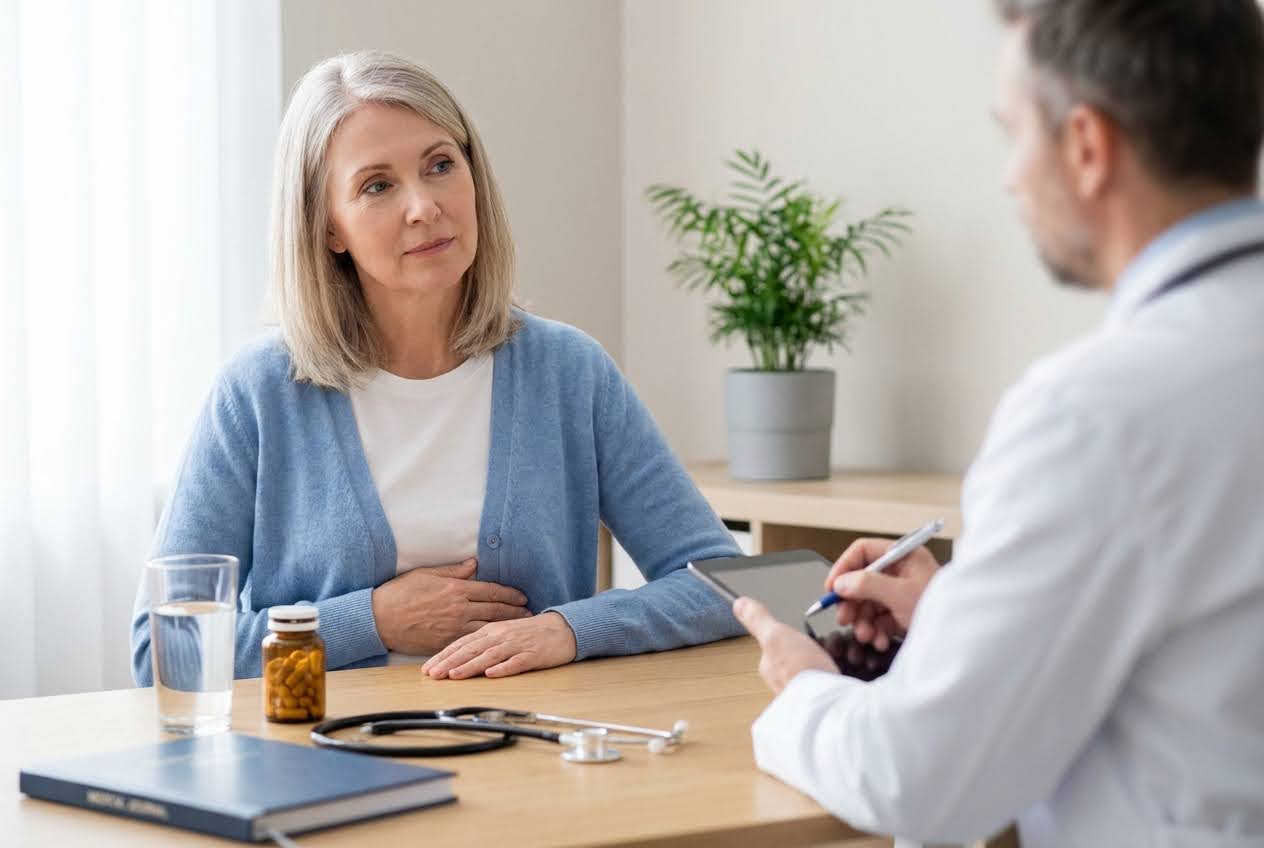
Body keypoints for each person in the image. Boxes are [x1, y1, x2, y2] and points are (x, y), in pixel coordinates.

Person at [732, 1, 1264, 845]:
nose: (1010, 175)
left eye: (1015, 132)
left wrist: (804, 690)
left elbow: (917, 780)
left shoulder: (1094, 414)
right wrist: (963, 622)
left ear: (1087, 147)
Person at [130, 50, 743, 684]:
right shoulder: (258, 392)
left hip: (531, 748)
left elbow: (726, 585)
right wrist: (369, 620)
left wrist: (569, 629)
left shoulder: (568, 372)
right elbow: (163, 648)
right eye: (377, 185)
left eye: (440, 165)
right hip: (322, 759)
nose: (423, 205)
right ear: (328, 227)